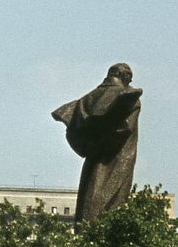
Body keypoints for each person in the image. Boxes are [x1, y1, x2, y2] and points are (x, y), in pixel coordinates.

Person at [50, 63, 143, 223]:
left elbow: (71, 129)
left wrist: (92, 147)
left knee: (89, 205)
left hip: (93, 161)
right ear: (125, 77)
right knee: (110, 209)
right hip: (118, 160)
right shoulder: (130, 99)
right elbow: (125, 129)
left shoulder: (87, 100)